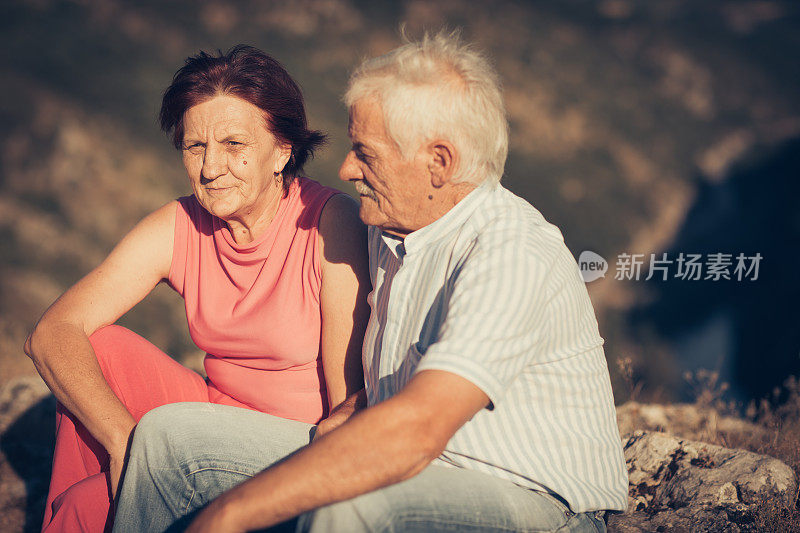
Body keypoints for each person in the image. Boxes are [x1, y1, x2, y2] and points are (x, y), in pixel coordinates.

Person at [113, 32, 629, 533]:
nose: (345, 167)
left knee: (352, 507)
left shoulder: (512, 254)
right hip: (411, 466)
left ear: (438, 163)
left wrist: (231, 513)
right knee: (167, 438)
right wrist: (356, 408)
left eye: (366, 153)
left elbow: (422, 426)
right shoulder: (388, 232)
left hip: (536, 502)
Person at [23, 45, 370, 532]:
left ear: (283, 151)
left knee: (87, 507)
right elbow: (52, 332)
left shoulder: (331, 225)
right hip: (212, 411)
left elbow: (347, 406)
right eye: (195, 147)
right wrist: (127, 445)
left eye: (234, 145)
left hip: (292, 440)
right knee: (99, 347)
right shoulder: (181, 224)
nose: (210, 168)